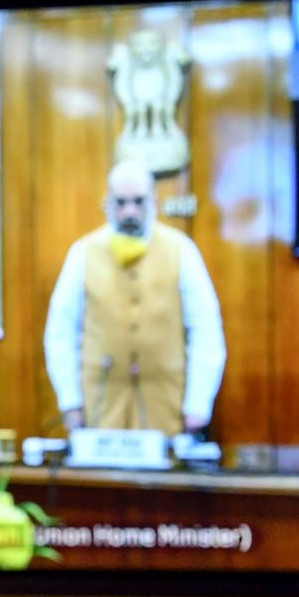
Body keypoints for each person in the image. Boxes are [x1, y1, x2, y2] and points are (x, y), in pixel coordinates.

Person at [44, 160, 226, 437]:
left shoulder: (182, 250)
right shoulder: (82, 253)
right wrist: (70, 403)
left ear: (153, 201)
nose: (130, 211)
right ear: (107, 204)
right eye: (121, 202)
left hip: (167, 405)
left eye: (138, 201)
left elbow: (206, 329)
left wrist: (198, 403)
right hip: (101, 406)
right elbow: (60, 333)